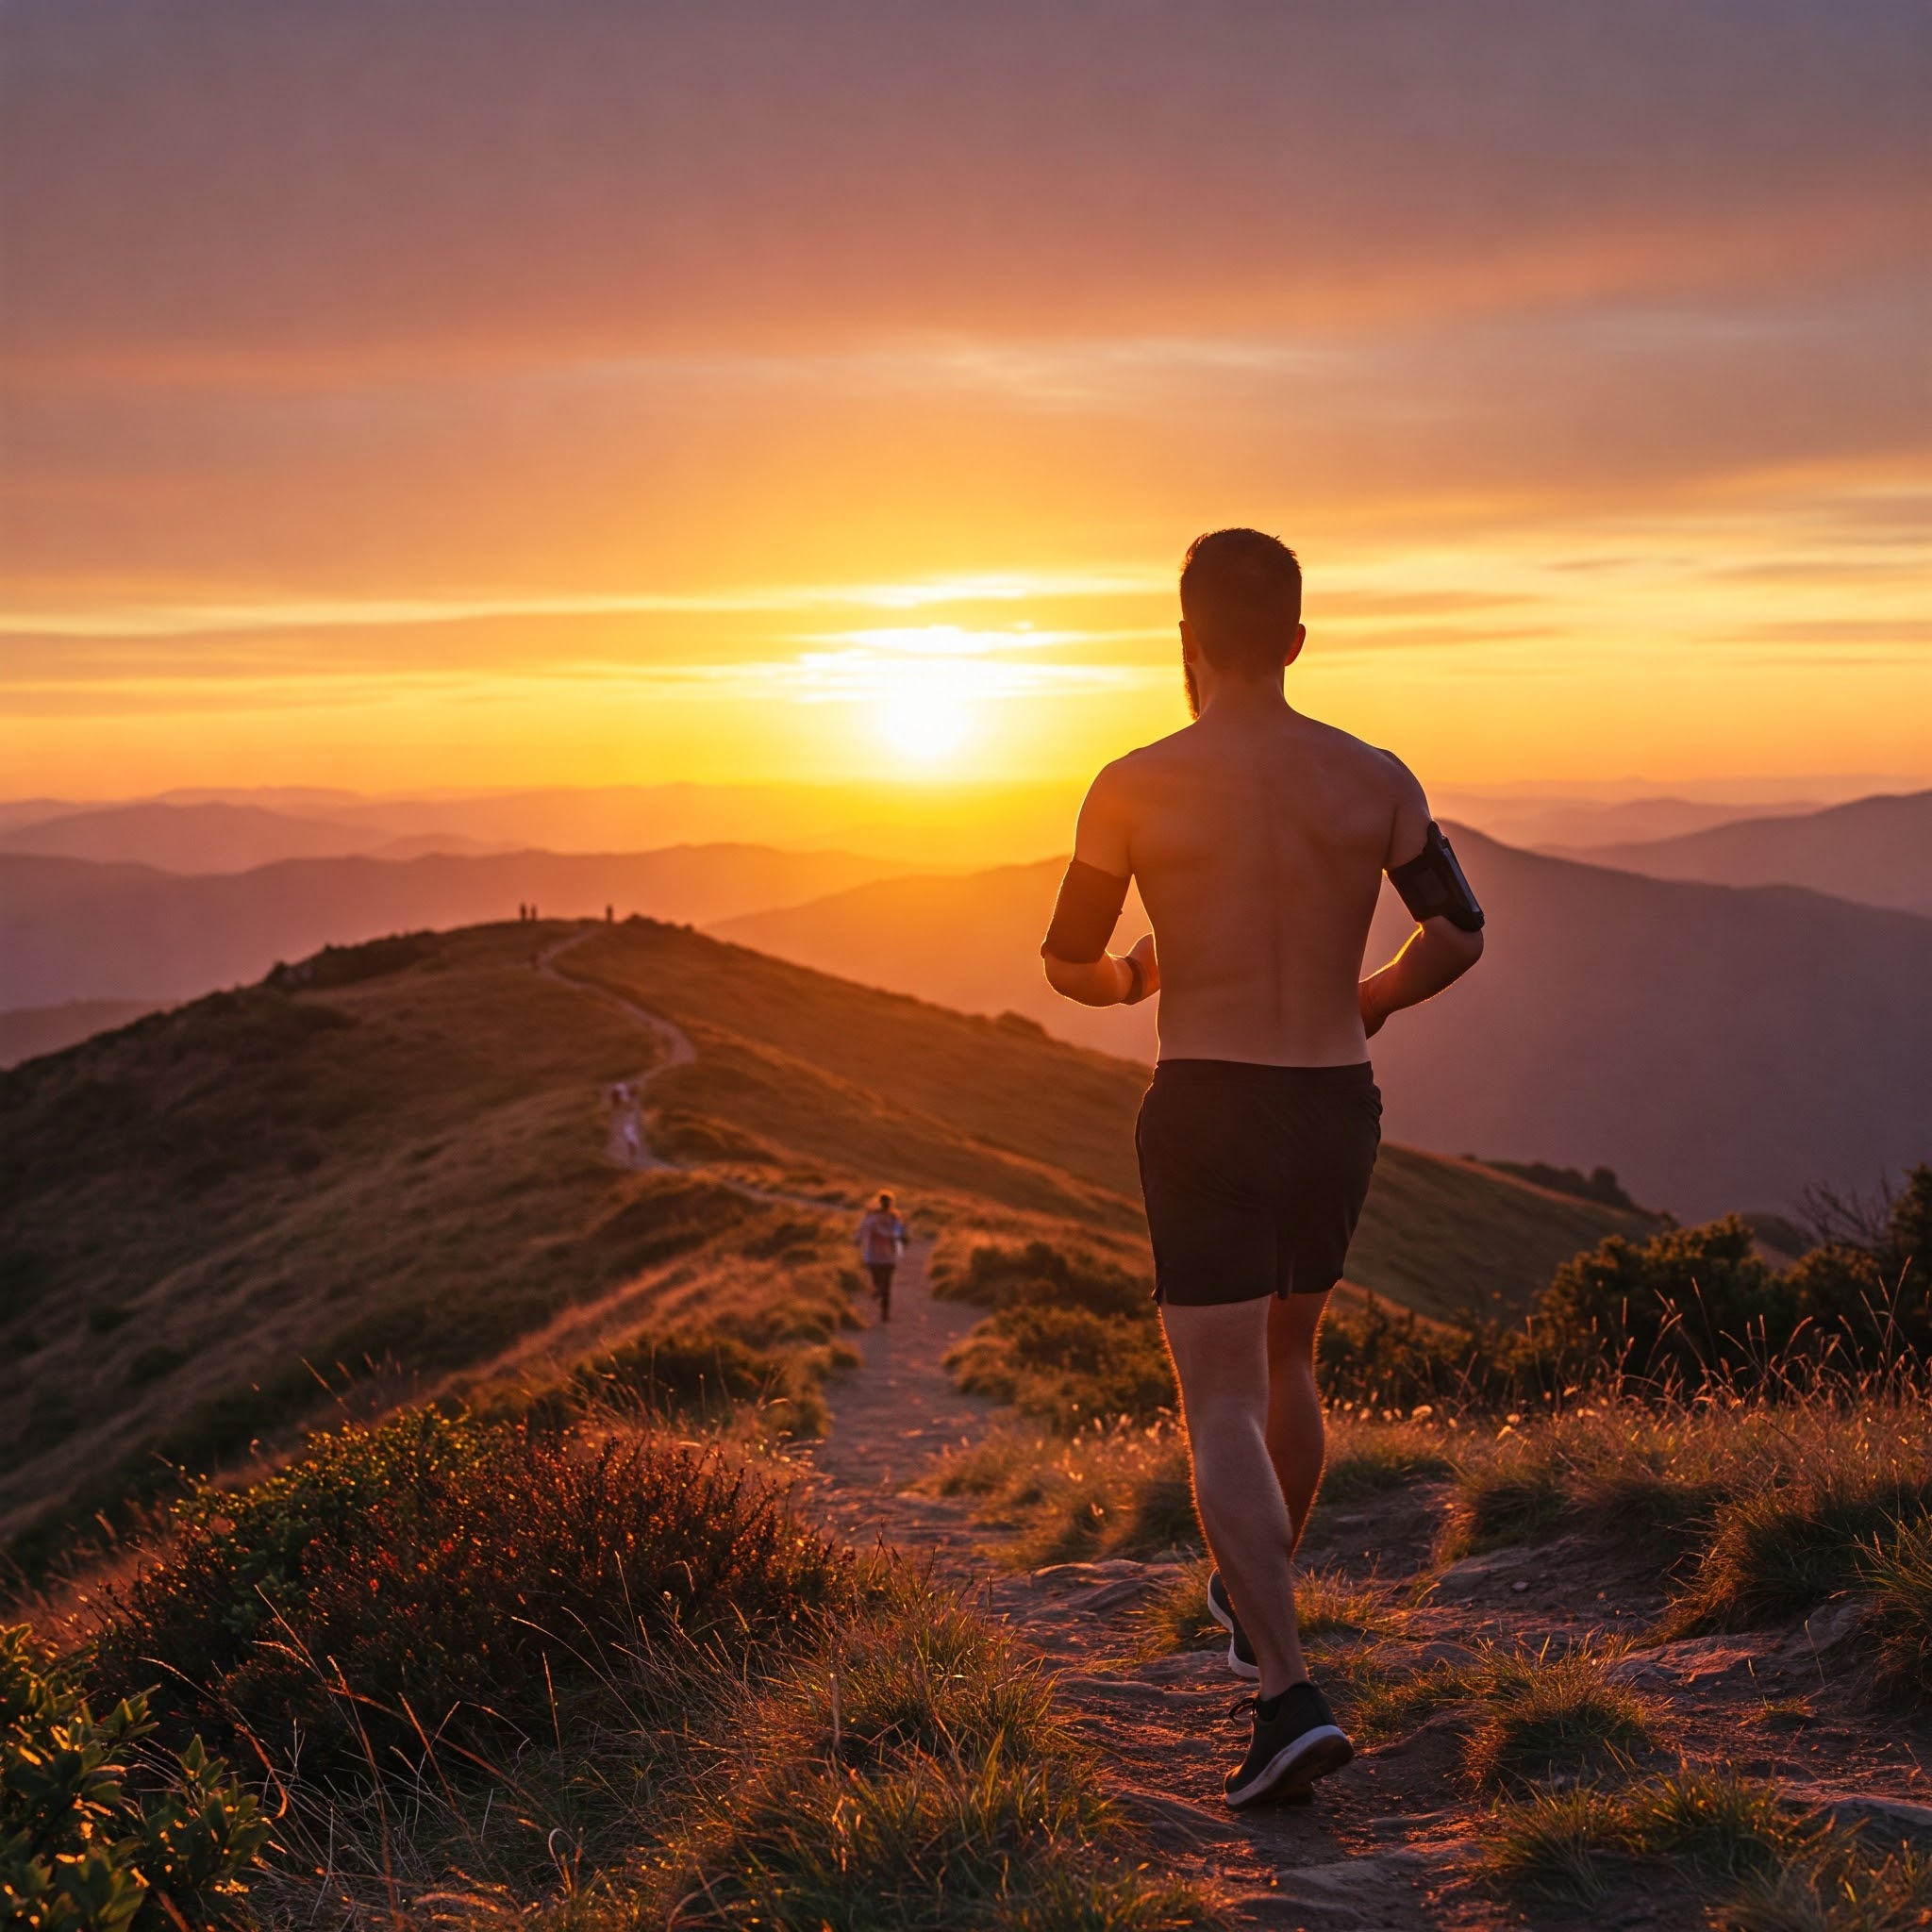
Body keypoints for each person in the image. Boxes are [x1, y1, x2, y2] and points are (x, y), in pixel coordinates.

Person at [1040, 528, 1485, 1808]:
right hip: (1334, 1104)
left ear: (1187, 646)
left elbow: (1071, 963)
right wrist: (1378, 1000)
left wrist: (1139, 973)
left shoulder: (1131, 785)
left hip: (1208, 1103)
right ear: (1296, 640)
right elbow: (1456, 931)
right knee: (1292, 1363)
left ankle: (1284, 1692)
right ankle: (1265, 1607)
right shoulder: (1376, 777)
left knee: (1219, 1396)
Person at [855, 1191, 908, 1322]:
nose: (885, 1204)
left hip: (888, 1256)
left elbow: (898, 1233)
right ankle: (878, 1291)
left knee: (886, 1286)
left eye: (887, 1202)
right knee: (879, 1282)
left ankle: (885, 1312)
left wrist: (880, 1231)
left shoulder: (894, 1217)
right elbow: (862, 1228)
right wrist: (858, 1238)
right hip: (875, 1255)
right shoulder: (871, 1216)